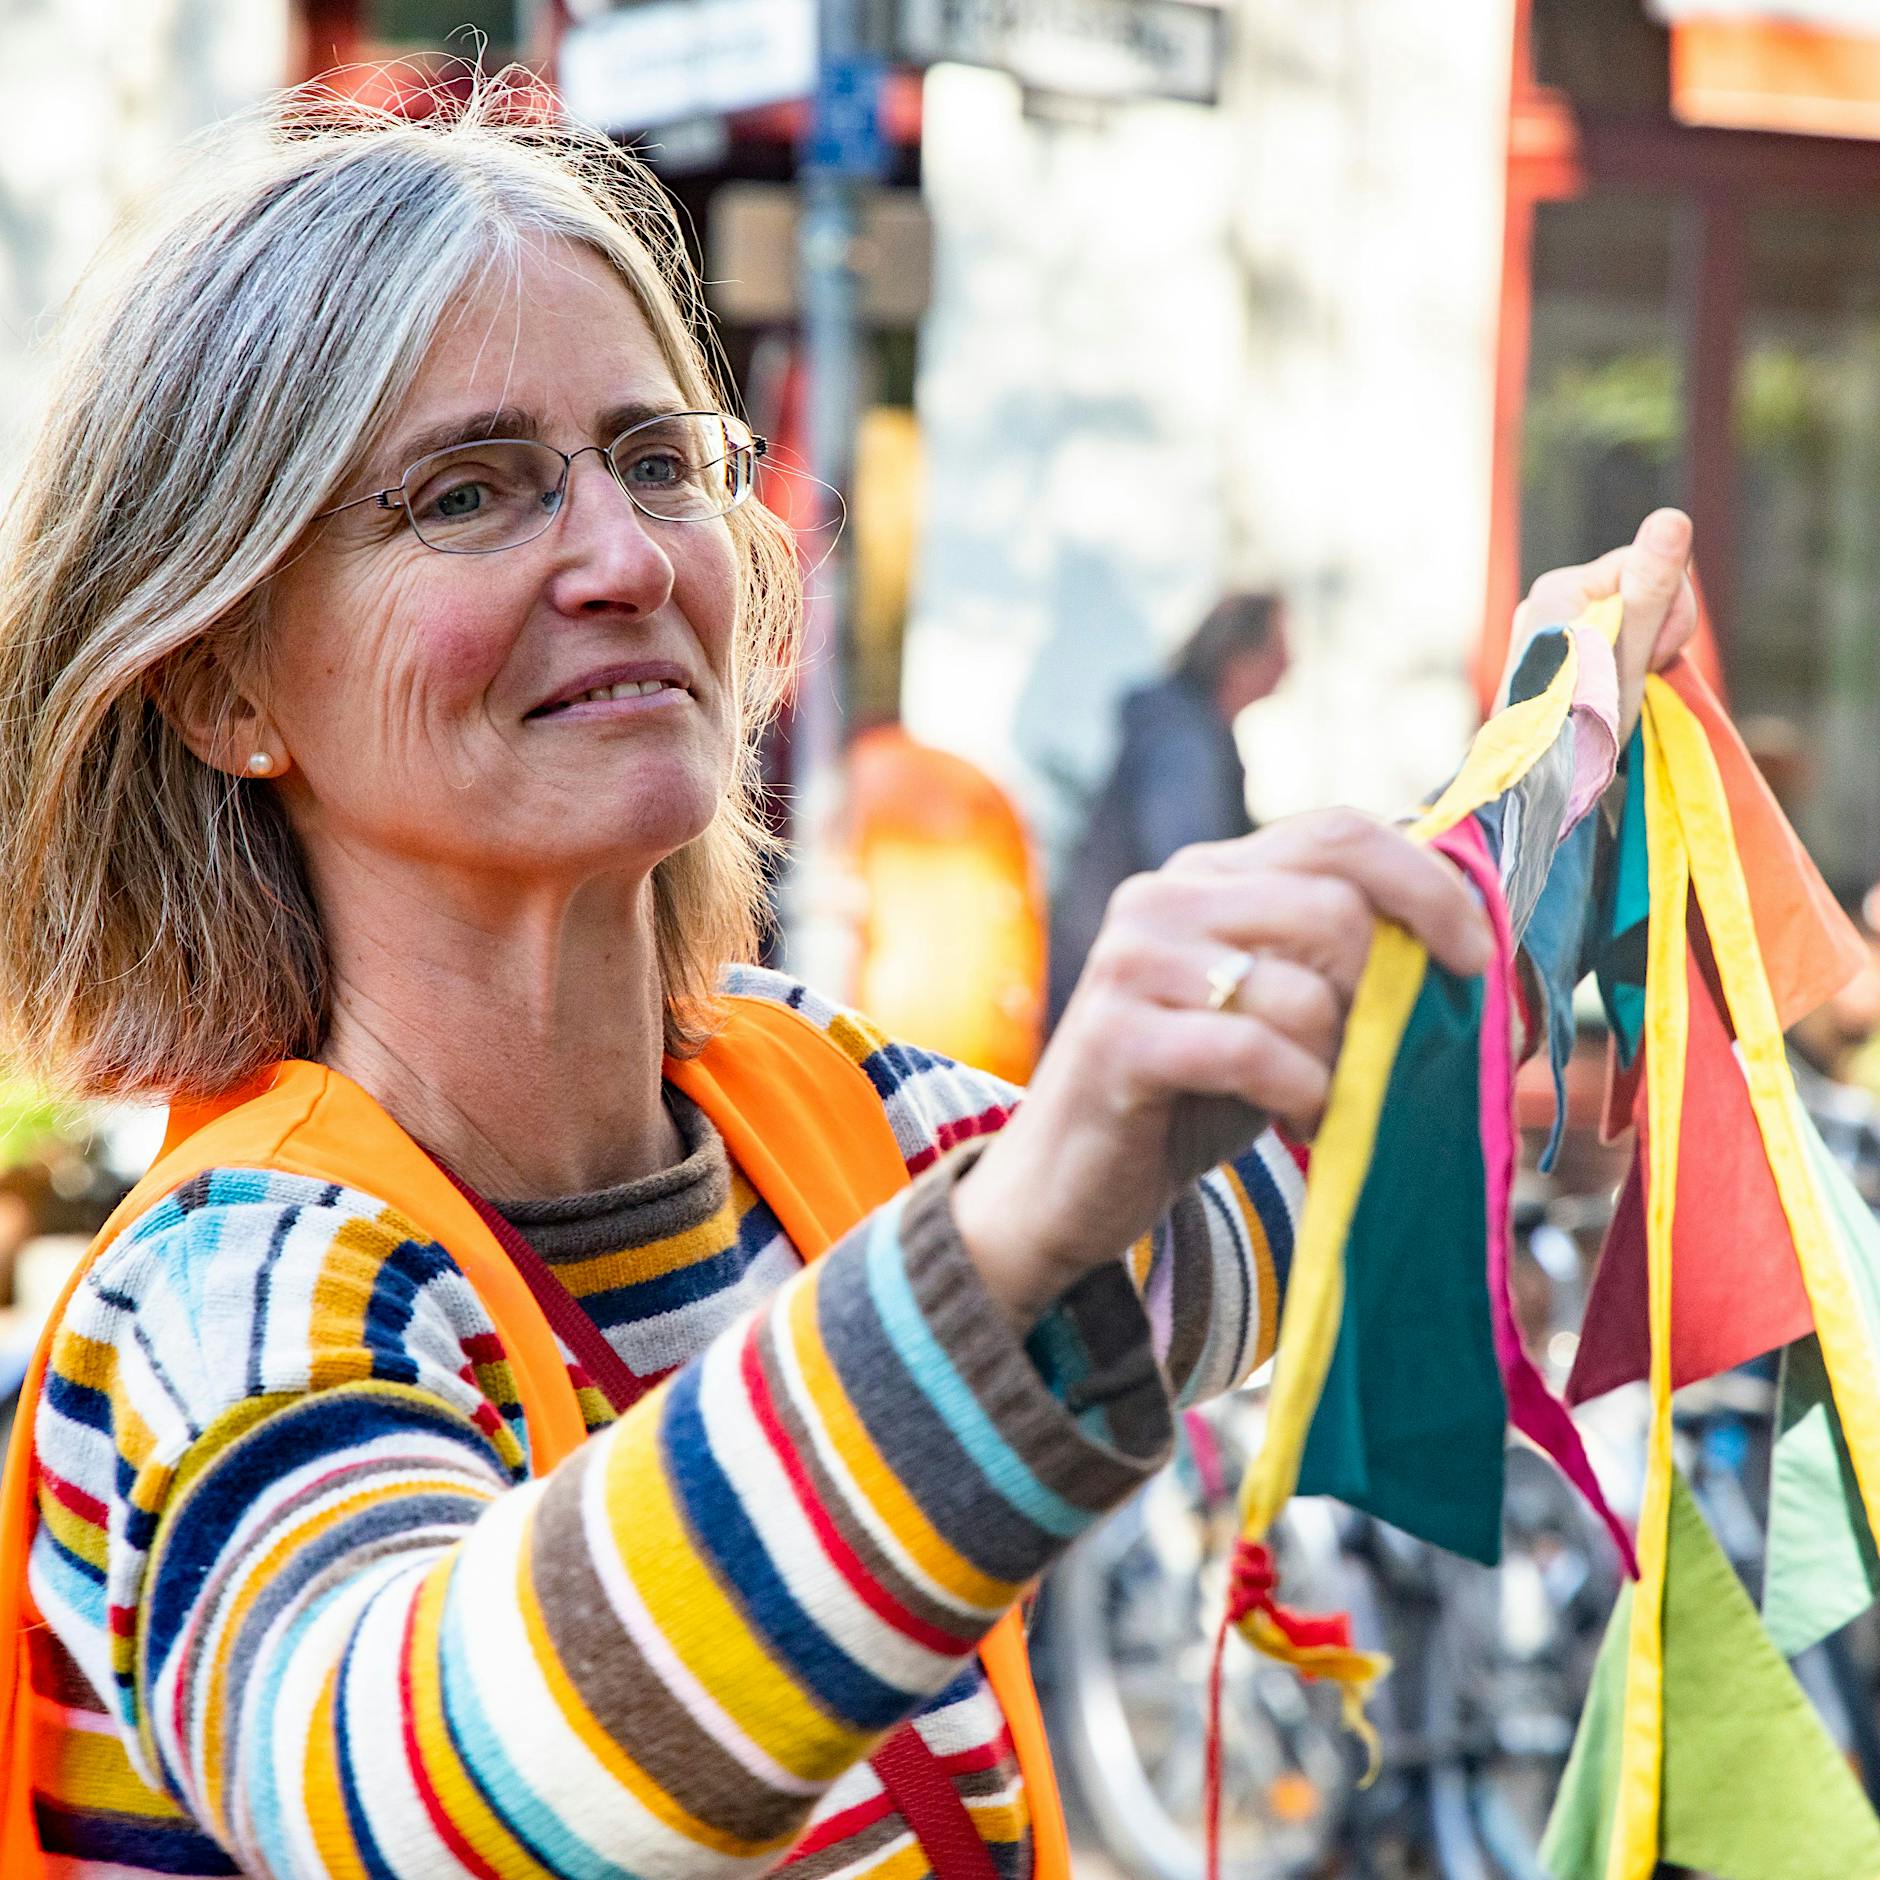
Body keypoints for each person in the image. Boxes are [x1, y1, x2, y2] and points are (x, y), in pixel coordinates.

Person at [0, 77, 1695, 1880]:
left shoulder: (835, 1112)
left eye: (657, 462)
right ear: (224, 686)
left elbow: (1303, 1194)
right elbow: (439, 1790)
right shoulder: (226, 1295)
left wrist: (1561, 763)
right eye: (470, 492)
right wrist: (1014, 1228)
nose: (629, 557)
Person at [1048, 592, 1289, 1026]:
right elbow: (1186, 865)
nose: (1291, 665)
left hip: (1104, 977)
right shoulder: (1183, 741)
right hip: (1110, 991)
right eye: (1280, 649)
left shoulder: (1189, 729)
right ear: (1239, 654)